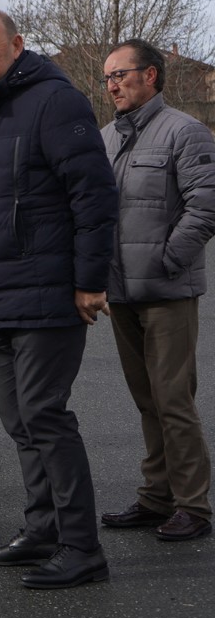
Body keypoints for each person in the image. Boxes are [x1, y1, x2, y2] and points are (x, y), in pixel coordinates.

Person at [0, 9, 118, 589]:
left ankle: (82, 547)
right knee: (21, 423)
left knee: (46, 417)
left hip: (45, 296)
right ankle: (43, 529)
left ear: (17, 44)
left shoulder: (56, 101)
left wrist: (90, 281)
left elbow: (94, 197)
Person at [98, 38, 215, 542]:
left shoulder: (184, 131)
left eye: (120, 74)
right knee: (147, 399)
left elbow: (206, 205)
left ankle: (194, 506)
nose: (112, 85)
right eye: (107, 77)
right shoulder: (106, 138)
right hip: (120, 292)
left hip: (166, 291)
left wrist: (168, 260)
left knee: (173, 400)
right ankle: (156, 497)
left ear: (150, 75)